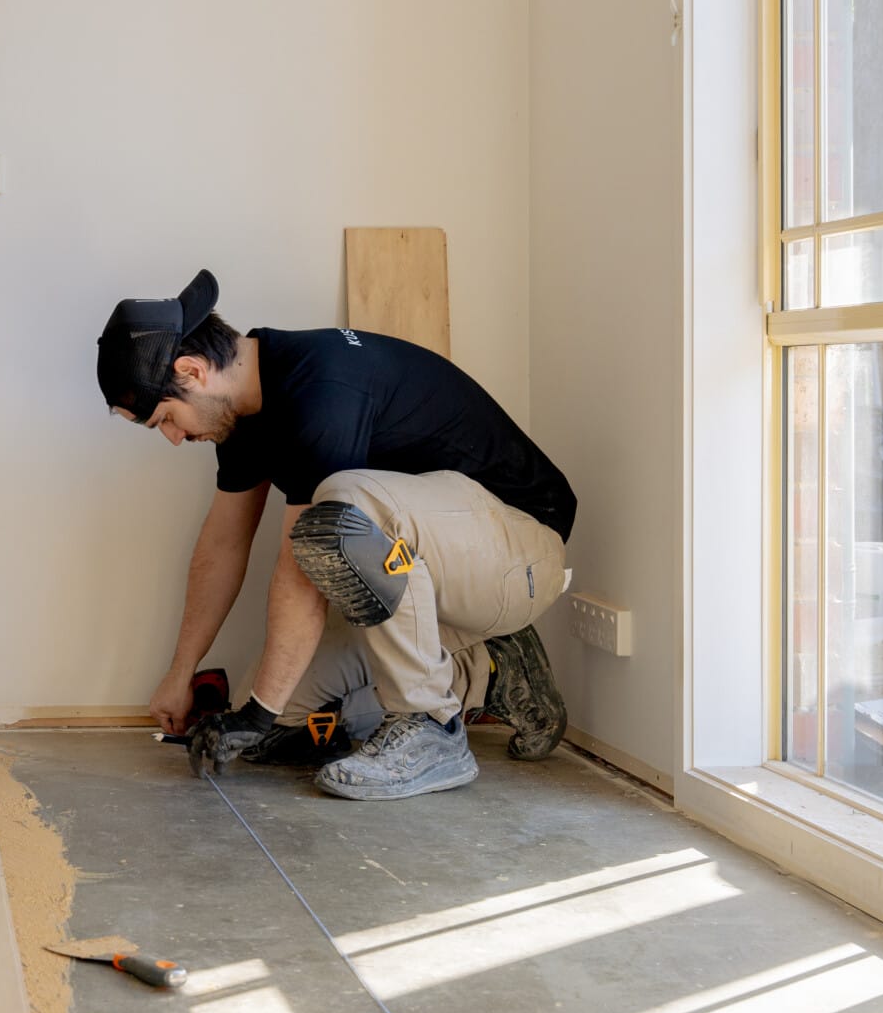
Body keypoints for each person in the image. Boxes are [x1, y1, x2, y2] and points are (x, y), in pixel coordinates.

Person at [97, 270, 576, 801]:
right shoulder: (246, 415)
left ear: (192, 371)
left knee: (344, 501)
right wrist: (183, 675)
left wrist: (258, 711)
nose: (173, 437)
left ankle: (432, 728)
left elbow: (301, 569)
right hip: (445, 577)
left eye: (165, 418)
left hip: (521, 554)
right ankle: (487, 670)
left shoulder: (322, 387)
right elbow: (222, 546)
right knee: (291, 713)